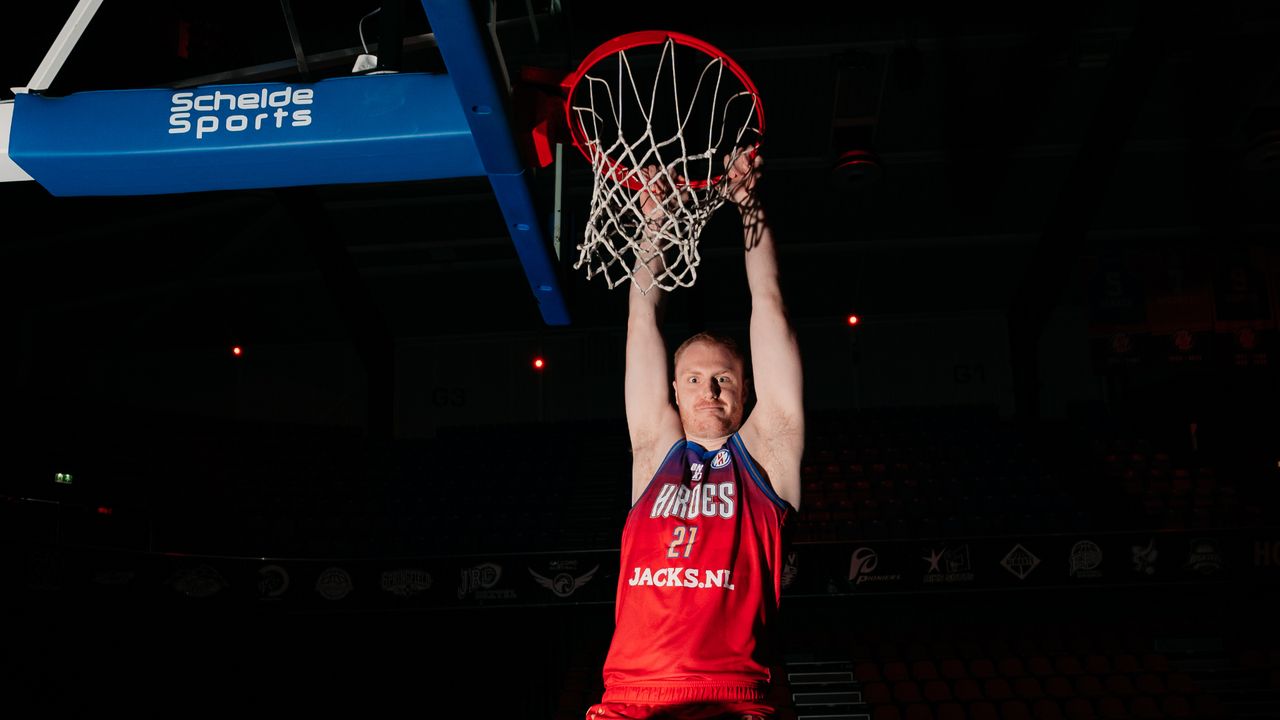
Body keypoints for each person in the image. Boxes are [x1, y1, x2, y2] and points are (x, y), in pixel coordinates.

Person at [586, 150, 804, 720]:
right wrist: (654, 220)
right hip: (629, 699)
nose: (709, 389)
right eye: (693, 379)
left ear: (745, 390)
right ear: (674, 392)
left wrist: (748, 202)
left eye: (723, 378)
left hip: (731, 698)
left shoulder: (769, 452)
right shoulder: (655, 451)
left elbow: (770, 305)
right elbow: (642, 321)